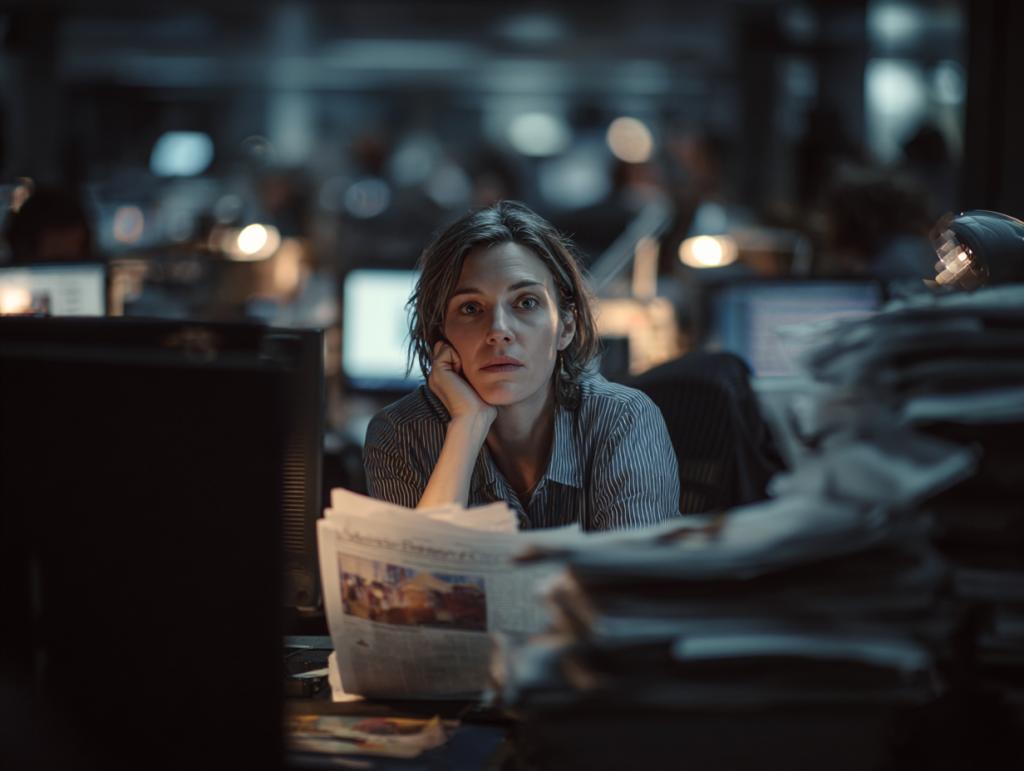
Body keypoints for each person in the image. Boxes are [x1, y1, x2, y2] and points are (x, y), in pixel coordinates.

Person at [363, 201, 681, 531]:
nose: (499, 330)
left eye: (526, 302)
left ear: (566, 327)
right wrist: (468, 426)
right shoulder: (401, 434)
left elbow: (633, 578)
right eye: (471, 308)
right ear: (441, 333)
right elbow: (418, 579)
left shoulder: (622, 420)